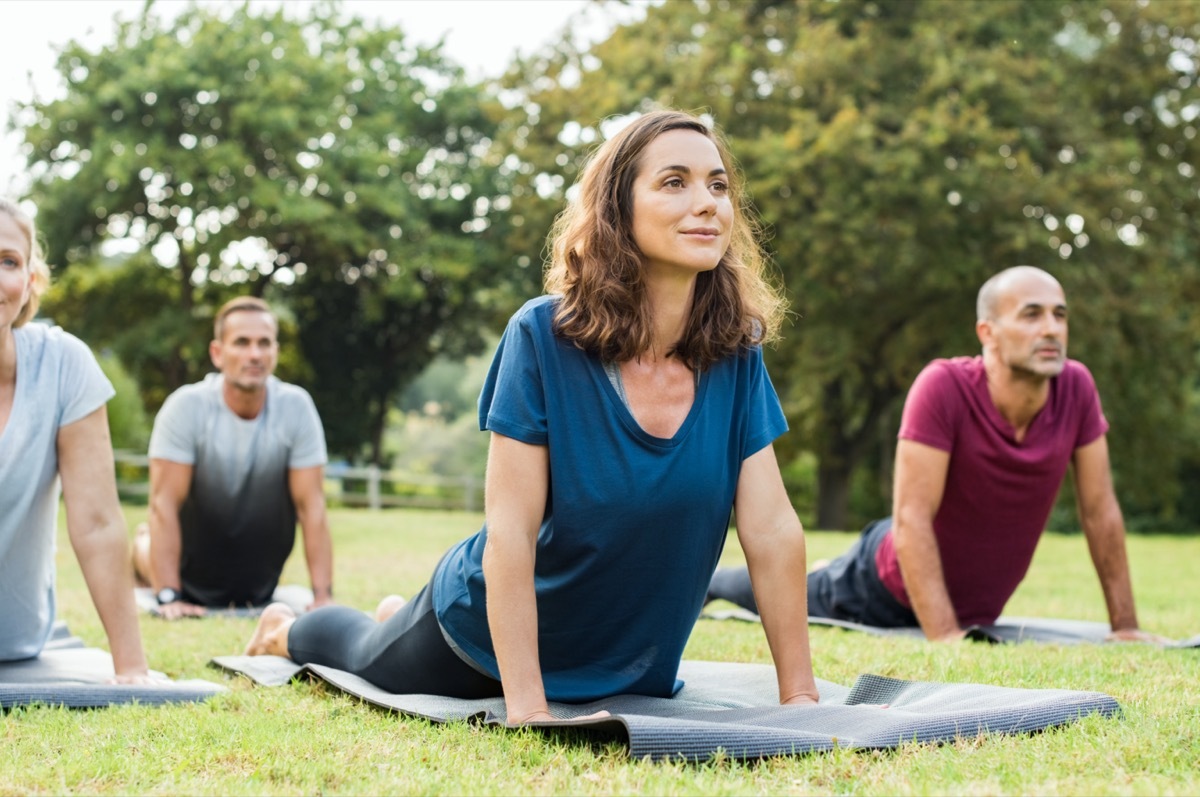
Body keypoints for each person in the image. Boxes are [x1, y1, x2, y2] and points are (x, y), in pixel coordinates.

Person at [244, 109, 819, 722]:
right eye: (674, 182)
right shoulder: (543, 335)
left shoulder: (735, 353)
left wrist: (802, 697)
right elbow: (510, 533)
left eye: (718, 185)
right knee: (361, 651)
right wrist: (527, 707)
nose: (707, 203)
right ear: (617, 210)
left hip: (626, 660)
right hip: (480, 644)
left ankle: (393, 612)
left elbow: (772, 530)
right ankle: (284, 629)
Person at [708, 266, 1161, 643]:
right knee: (780, 591)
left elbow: (1101, 512)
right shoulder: (944, 386)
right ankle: (711, 583)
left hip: (967, 600)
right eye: (1031, 315)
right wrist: (946, 636)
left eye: (1060, 315)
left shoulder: (1076, 388)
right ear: (988, 331)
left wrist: (1126, 628)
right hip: (881, 586)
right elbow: (912, 519)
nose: (1051, 329)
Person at [0, 198, 153, 681]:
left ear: (29, 283)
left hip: (15, 640)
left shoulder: (63, 364)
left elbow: (98, 522)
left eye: (8, 261)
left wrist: (132, 668)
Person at [132, 296, 334, 619]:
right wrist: (169, 595)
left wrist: (323, 596)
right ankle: (142, 547)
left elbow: (312, 506)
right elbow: (164, 504)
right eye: (241, 342)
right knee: (148, 542)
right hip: (188, 570)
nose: (254, 354)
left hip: (256, 582)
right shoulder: (185, 408)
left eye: (264, 343)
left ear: (275, 352)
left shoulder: (297, 408)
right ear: (217, 353)